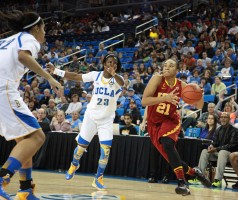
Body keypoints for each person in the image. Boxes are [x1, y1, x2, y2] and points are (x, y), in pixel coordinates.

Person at [0, 11, 62, 200]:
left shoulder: (9, 39)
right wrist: (51, 78)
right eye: (44, 28)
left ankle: (25, 189)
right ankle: (2, 178)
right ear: (36, 28)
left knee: (24, 139)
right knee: (37, 136)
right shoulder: (29, 39)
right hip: (3, 87)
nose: (45, 33)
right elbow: (23, 57)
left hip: (4, 87)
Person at [48, 53, 124, 190]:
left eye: (114, 63)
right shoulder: (96, 75)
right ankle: (74, 164)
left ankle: (98, 177)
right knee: (80, 149)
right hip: (91, 116)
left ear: (117, 66)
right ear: (104, 63)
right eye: (109, 62)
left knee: (105, 151)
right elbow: (76, 76)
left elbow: (123, 83)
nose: (111, 65)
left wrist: (114, 74)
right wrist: (56, 71)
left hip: (106, 120)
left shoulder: (119, 80)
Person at [142, 58, 211, 196]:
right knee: (170, 157)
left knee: (167, 142)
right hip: (153, 123)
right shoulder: (157, 79)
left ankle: (182, 182)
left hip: (170, 121)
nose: (166, 67)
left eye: (171, 65)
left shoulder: (182, 86)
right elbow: (144, 101)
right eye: (165, 65)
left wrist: (200, 95)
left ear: (177, 70)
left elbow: (198, 106)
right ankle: (194, 172)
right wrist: (164, 98)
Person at [198, 112, 238, 188]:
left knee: (222, 152)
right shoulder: (218, 129)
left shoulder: (234, 130)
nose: (223, 119)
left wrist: (216, 148)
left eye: (225, 117)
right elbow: (215, 142)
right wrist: (211, 146)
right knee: (205, 151)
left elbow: (232, 145)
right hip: (217, 153)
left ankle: (217, 180)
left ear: (229, 119)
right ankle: (200, 177)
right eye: (222, 117)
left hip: (229, 154)